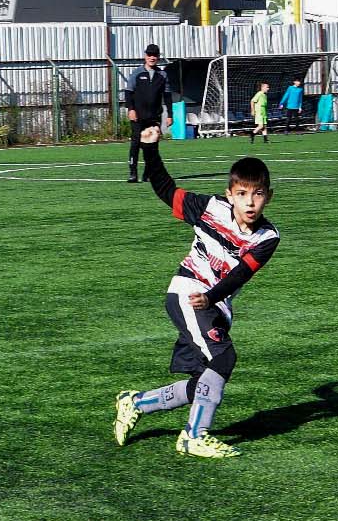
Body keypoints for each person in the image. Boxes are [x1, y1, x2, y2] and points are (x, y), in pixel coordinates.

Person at [111, 129, 279, 461]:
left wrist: (213, 297)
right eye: (242, 193)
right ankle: (193, 435)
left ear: (268, 197)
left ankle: (136, 402)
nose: (249, 201)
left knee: (204, 380)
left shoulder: (268, 237)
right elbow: (165, 189)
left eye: (257, 194)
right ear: (229, 194)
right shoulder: (209, 208)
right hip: (188, 292)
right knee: (224, 359)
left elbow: (241, 274)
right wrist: (151, 148)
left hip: (213, 302)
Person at [124, 44, 171, 183]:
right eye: (149, 55)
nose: (152, 58)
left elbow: (167, 95)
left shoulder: (162, 75)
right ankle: (133, 173)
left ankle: (148, 173)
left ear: (158, 57)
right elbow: (128, 92)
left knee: (151, 146)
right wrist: (130, 109)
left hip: (154, 116)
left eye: (155, 55)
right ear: (145, 56)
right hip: (138, 116)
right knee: (136, 144)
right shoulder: (137, 73)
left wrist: (170, 114)